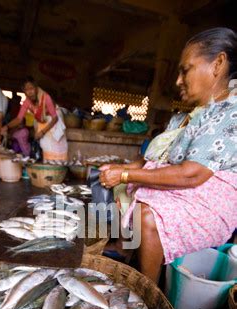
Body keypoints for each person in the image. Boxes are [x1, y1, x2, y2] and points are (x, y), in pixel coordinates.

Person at [100, 28, 237, 284]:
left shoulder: (230, 113)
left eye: (185, 70)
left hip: (208, 201)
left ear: (218, 63)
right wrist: (123, 170)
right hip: (186, 190)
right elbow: (155, 158)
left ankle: (147, 292)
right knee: (121, 189)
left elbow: (192, 173)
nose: (177, 80)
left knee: (147, 215)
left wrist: (126, 172)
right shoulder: (189, 116)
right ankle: (126, 250)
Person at [1, 77, 68, 163]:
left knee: (56, 147)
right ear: (24, 91)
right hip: (44, 121)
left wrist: (42, 132)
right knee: (45, 145)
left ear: (36, 88)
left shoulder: (46, 97)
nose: (30, 92)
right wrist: (7, 126)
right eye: (26, 89)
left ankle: (59, 168)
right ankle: (49, 169)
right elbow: (18, 119)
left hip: (54, 121)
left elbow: (55, 118)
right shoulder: (27, 102)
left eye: (31, 88)